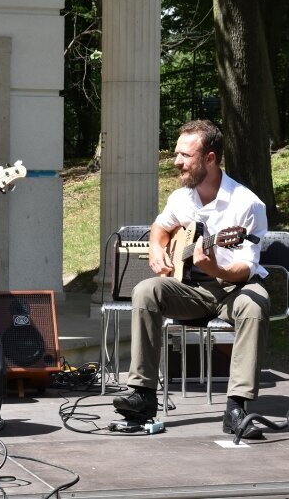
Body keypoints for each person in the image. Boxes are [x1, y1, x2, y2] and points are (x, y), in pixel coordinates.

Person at [112, 119, 270, 439]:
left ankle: (237, 407)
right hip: (190, 289)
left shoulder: (248, 205)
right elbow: (161, 226)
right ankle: (142, 395)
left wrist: (217, 270)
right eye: (177, 154)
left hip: (232, 287)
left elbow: (246, 268)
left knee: (256, 306)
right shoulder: (181, 197)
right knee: (146, 290)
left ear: (209, 159)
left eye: (185, 155)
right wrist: (157, 247)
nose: (177, 162)